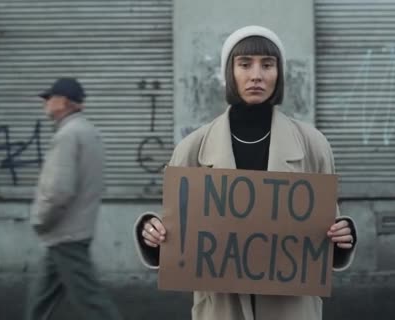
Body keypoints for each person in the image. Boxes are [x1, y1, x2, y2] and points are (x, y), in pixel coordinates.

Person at [134, 26, 357, 320]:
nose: (256, 75)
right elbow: (178, 241)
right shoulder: (192, 147)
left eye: (267, 65)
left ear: (278, 74)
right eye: (245, 64)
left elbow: (324, 236)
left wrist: (343, 236)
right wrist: (151, 233)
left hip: (290, 308)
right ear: (230, 72)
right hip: (221, 308)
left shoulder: (313, 145)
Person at [26, 77, 123, 320]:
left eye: (49, 98)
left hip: (66, 232)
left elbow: (59, 190)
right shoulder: (89, 132)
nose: (45, 103)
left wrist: (40, 219)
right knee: (40, 298)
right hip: (72, 230)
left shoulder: (68, 136)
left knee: (92, 301)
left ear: (64, 102)